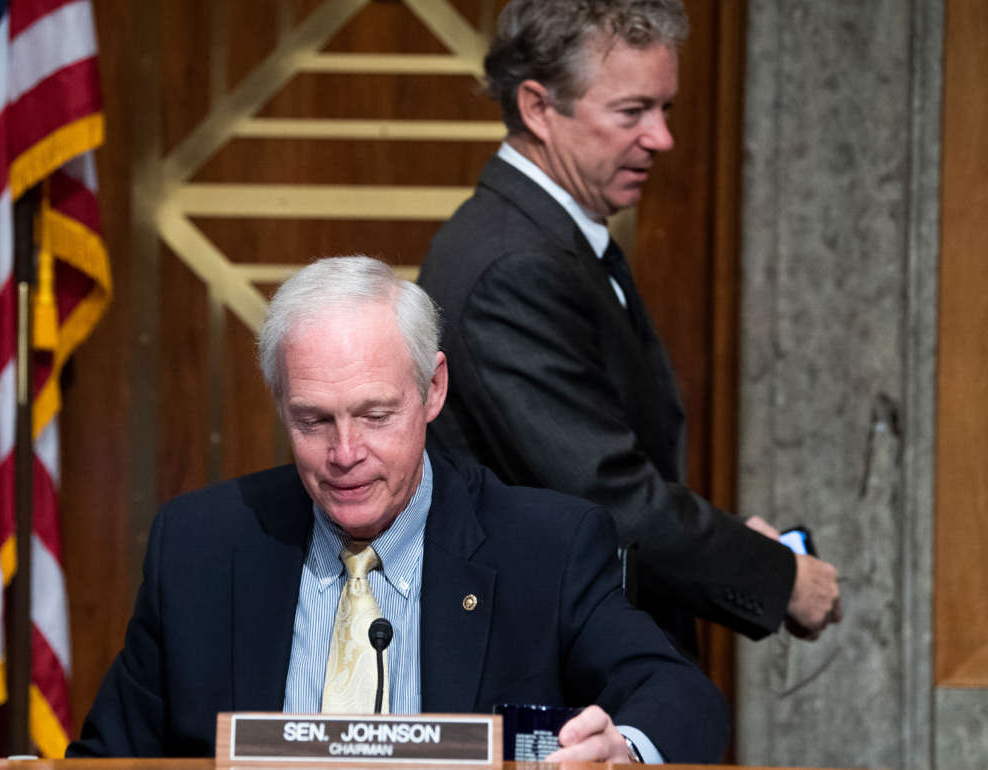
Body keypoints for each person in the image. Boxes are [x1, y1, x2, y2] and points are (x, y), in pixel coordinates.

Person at [69, 256, 729, 763]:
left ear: (432, 390)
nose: (345, 452)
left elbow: (681, 698)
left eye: (375, 415)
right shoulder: (201, 546)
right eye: (313, 420)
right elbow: (105, 759)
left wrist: (624, 750)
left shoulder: (544, 548)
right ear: (279, 405)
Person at [417, 0, 842, 657]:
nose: (662, 138)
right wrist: (780, 576)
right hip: (555, 683)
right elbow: (607, 500)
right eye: (631, 112)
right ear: (537, 108)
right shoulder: (513, 263)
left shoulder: (550, 239)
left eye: (665, 109)